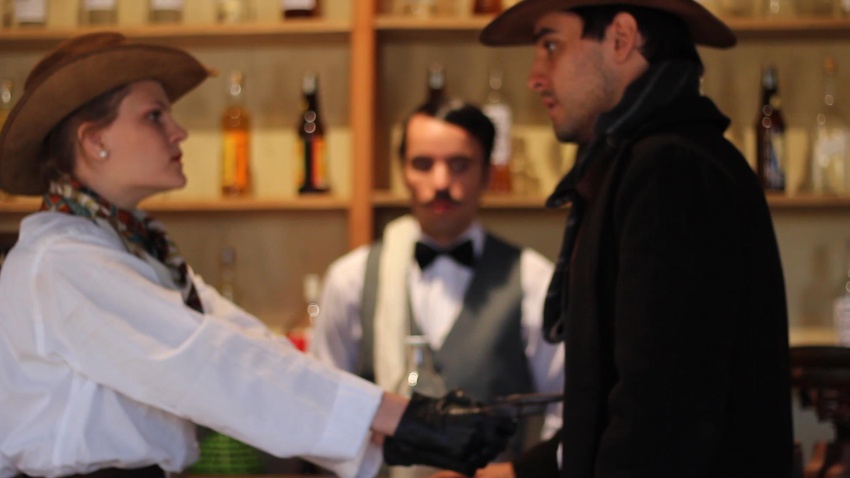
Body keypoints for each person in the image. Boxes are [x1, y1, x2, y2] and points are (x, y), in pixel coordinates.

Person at [0, 32, 517, 478]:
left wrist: (395, 424)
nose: (179, 131)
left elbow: (245, 342)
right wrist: (401, 419)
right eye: (155, 115)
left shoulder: (133, 248)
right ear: (95, 140)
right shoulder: (63, 261)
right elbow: (208, 361)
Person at [468, 0, 794, 476]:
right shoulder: (647, 162)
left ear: (621, 38)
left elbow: (660, 420)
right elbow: (617, 401)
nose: (535, 77)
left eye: (551, 46)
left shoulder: (670, 169)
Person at [309, 100, 564, 472]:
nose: (441, 183)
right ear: (403, 172)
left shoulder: (533, 279)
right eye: (423, 164)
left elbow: (566, 409)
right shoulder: (350, 279)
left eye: (460, 165)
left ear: (487, 174)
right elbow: (321, 404)